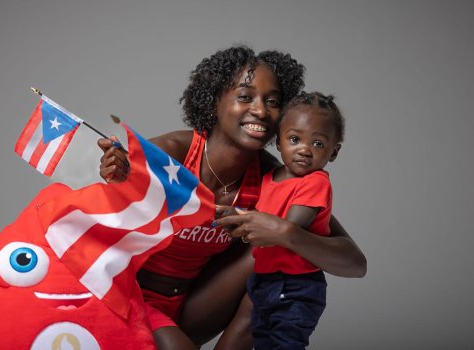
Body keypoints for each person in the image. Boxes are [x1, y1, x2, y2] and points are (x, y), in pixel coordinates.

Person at [98, 46, 366, 350]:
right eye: (245, 96)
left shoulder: (275, 178)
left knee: (277, 254)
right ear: (215, 101)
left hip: (194, 309)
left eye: (273, 101)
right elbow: (95, 218)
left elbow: (355, 264)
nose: (261, 110)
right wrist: (116, 172)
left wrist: (285, 232)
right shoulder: (174, 152)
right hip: (133, 302)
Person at [217, 91, 345, 349]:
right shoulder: (268, 178)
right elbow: (260, 221)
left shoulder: (316, 182)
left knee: (285, 344)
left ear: (334, 152)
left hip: (297, 287)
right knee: (264, 340)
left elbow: (288, 227)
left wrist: (244, 220)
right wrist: (231, 215)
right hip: (264, 281)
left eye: (318, 144)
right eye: (295, 139)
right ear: (279, 142)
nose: (305, 150)